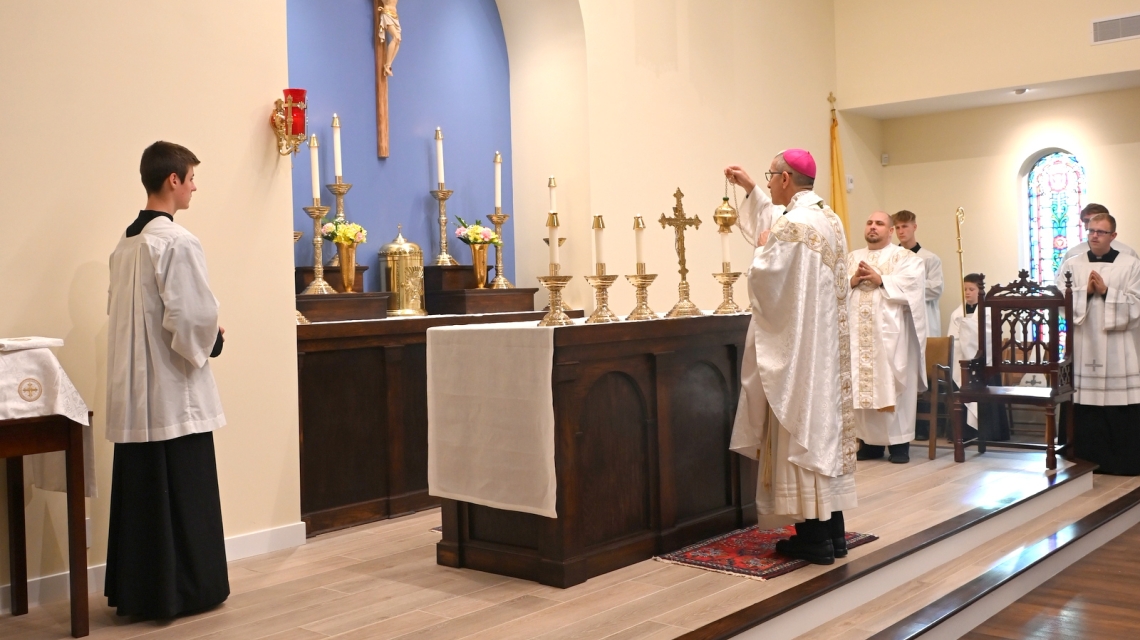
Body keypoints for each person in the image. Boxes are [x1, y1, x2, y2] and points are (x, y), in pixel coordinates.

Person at [104, 141, 229, 618]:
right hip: (173, 394)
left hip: (136, 396)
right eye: (192, 177)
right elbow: (192, 315)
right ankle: (187, 590)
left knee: (142, 495)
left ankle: (143, 592)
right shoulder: (176, 241)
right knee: (182, 489)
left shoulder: (126, 243)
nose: (195, 186)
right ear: (172, 179)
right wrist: (213, 336)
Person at [725, 149, 856, 565]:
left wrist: (761, 252)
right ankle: (832, 534)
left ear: (785, 179)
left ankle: (813, 539)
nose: (766, 182)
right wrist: (749, 189)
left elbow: (769, 275)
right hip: (824, 355)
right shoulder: (826, 218)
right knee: (821, 439)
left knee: (798, 433)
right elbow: (780, 229)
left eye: (769, 176)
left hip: (799, 355)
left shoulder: (795, 225)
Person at [1060, 213, 1140, 475]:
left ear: (1113, 236)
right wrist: (1085, 292)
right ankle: (1079, 459)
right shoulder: (1072, 264)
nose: (1094, 235)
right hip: (1083, 342)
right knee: (1081, 401)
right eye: (1091, 230)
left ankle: (1121, 462)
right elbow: (1060, 300)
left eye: (1101, 232)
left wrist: (1106, 292)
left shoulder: (1130, 264)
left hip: (1117, 346)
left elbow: (1137, 303)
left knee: (1117, 403)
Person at [848, 212, 928, 464]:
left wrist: (881, 279)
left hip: (892, 336)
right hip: (857, 336)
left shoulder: (907, 258)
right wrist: (852, 280)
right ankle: (869, 443)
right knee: (861, 385)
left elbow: (913, 287)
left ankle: (899, 444)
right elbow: (834, 286)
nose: (873, 227)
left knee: (893, 383)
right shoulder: (852, 257)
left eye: (879, 224)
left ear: (890, 230)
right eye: (869, 222)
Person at [946, 274, 1010, 442]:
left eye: (971, 289)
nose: (967, 293)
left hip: (984, 363)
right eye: (965, 289)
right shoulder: (957, 313)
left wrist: (969, 328)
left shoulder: (988, 311)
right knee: (960, 388)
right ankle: (963, 433)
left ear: (980, 291)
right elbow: (952, 337)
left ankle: (989, 433)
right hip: (961, 360)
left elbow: (990, 335)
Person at [892, 210, 944, 337]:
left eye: (904, 226)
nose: (900, 231)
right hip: (898, 318)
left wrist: (905, 285)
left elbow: (936, 288)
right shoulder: (891, 258)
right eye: (897, 227)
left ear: (914, 227)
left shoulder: (929, 258)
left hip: (923, 317)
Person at [1063, 204, 1137, 262]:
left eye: (1096, 219)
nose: (1091, 224)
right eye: (1086, 221)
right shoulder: (1073, 254)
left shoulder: (1127, 253)